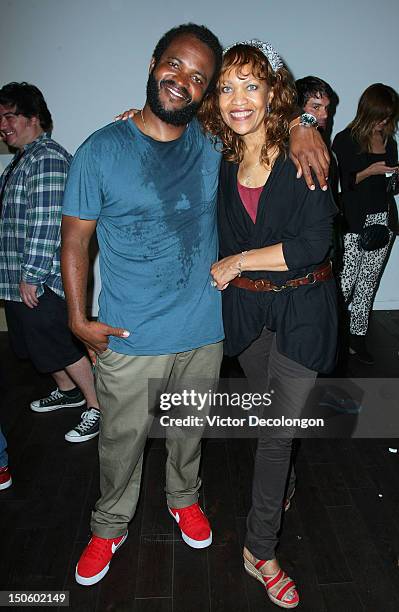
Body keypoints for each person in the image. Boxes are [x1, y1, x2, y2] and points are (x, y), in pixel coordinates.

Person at [61, 24, 330, 587]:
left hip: (206, 326)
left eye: (200, 78)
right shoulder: (102, 148)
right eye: (176, 66)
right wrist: (77, 317)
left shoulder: (213, 145)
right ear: (154, 62)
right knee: (122, 441)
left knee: (189, 431)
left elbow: (268, 124)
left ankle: (185, 499)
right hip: (131, 334)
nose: (184, 81)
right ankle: (109, 526)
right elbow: (75, 239)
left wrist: (307, 124)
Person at [204, 40, 338, 608]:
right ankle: (279, 486)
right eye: (228, 86)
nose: (239, 99)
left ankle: (260, 548)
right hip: (250, 317)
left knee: (276, 432)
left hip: (304, 309)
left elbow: (311, 245)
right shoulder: (219, 156)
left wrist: (236, 262)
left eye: (251, 85)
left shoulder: (306, 154)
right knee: (274, 423)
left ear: (272, 93)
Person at [0, 82, 101, 443]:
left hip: (41, 280)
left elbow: (47, 223)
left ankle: (97, 406)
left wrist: (32, 275)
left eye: (10, 116)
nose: (3, 125)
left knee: (58, 344)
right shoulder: (24, 159)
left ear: (34, 117)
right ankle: (70, 392)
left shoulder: (46, 159)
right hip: (20, 279)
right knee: (36, 346)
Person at [332, 83, 399, 364]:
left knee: (368, 284)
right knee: (344, 284)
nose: (384, 122)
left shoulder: (390, 142)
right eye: (380, 115)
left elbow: (389, 187)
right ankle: (334, 340)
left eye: (389, 116)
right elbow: (340, 184)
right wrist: (369, 171)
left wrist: (394, 180)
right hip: (353, 220)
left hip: (382, 219)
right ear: (367, 111)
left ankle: (357, 340)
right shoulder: (345, 139)